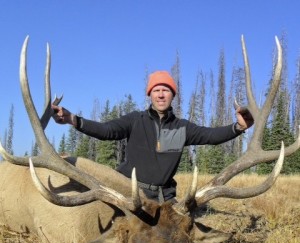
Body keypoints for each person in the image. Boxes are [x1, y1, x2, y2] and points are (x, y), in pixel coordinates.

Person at [52, 71, 254, 202]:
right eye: (156, 90)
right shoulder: (135, 120)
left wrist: (238, 127)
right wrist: (73, 119)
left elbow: (211, 135)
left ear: (172, 95)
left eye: (165, 90)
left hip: (164, 197)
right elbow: (107, 131)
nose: (160, 94)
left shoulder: (182, 128)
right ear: (150, 94)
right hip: (130, 193)